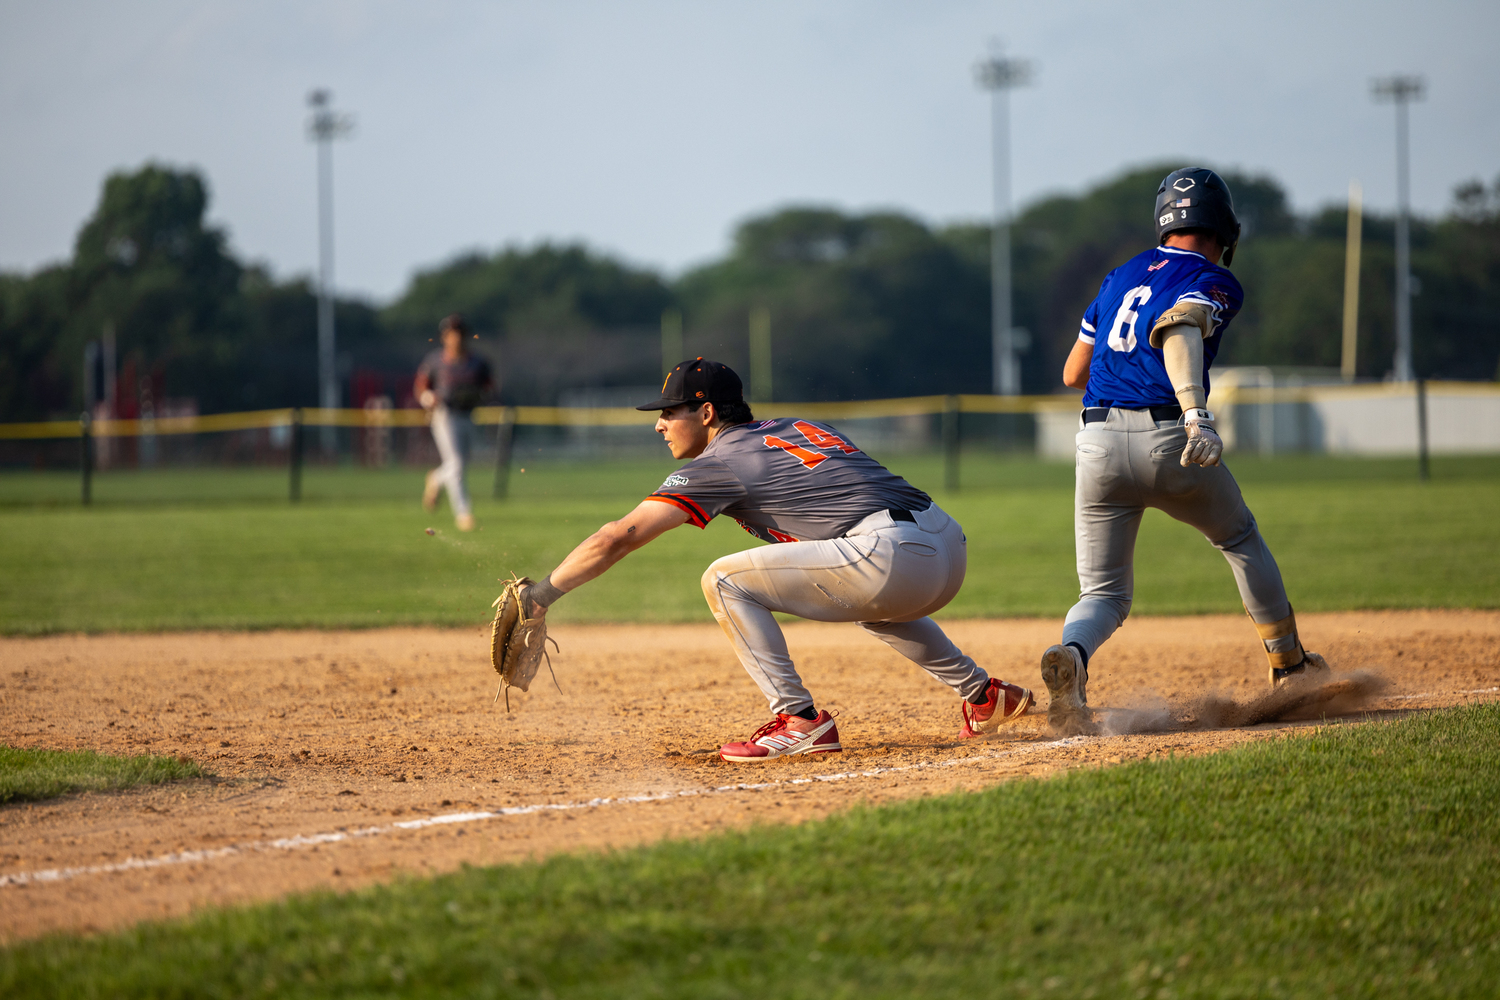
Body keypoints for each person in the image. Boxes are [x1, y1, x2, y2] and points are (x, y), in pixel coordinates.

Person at [516, 358, 1034, 761]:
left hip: (892, 556)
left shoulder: (720, 461)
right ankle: (986, 695)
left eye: (669, 412)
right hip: (944, 542)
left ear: (706, 412)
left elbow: (617, 537)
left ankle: (800, 721)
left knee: (724, 580)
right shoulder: (792, 426)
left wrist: (540, 597)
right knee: (862, 597)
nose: (660, 425)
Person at [1039, 167, 1331, 735]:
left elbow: (1075, 371)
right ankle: (1290, 665)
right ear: (1223, 229)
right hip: (1171, 436)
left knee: (1102, 592)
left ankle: (1072, 656)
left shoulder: (1120, 274)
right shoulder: (1213, 277)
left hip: (1096, 441)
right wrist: (1196, 412)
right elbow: (1181, 325)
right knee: (1239, 536)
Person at [414, 314, 493, 532]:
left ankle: (436, 478)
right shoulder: (435, 361)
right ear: (444, 337)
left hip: (468, 415)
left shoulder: (477, 362)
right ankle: (463, 513)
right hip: (444, 415)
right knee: (457, 464)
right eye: (451, 334)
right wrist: (427, 397)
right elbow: (421, 387)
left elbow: (490, 387)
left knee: (460, 464)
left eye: (459, 333)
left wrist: (482, 396)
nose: (455, 338)